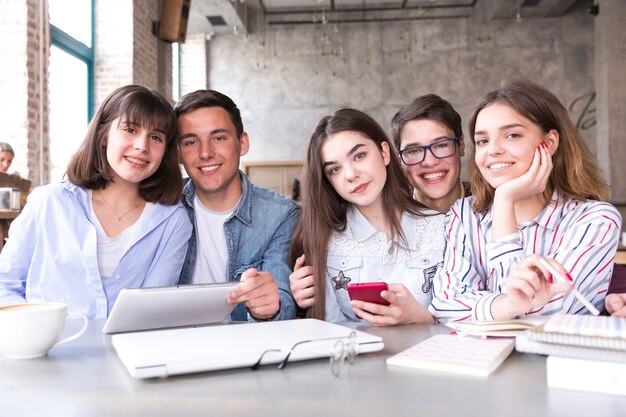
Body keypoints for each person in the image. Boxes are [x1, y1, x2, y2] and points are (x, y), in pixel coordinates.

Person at [430, 79, 621, 322]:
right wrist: (510, 304)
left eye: (512, 135)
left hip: (555, 359)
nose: (493, 150)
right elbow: (444, 305)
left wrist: (505, 201)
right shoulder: (464, 213)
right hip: (476, 357)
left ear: (549, 143)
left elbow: (542, 314)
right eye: (482, 140)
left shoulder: (596, 219)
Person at [0, 85, 192, 319]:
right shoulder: (49, 203)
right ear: (103, 134)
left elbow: (153, 308)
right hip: (46, 351)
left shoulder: (173, 220)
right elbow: (5, 285)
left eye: (156, 137)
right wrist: (36, 331)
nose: (142, 146)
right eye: (130, 129)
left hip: (128, 353)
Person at [289, 108, 444, 325]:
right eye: (335, 169)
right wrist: (297, 306)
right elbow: (329, 331)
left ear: (384, 153)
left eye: (359, 156)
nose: (351, 174)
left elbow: (462, 325)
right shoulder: (324, 239)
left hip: (428, 356)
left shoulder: (442, 228)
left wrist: (422, 319)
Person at [175, 89, 299, 322]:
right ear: (178, 153)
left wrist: (267, 308)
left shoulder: (281, 215)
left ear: (242, 143)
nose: (205, 153)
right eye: (191, 142)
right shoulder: (164, 205)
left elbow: (284, 306)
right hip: (172, 345)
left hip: (247, 348)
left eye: (219, 138)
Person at [391, 94, 467, 214]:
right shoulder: (388, 219)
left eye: (441, 145)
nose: (430, 162)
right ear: (399, 160)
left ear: (461, 145)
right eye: (414, 150)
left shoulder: (496, 206)